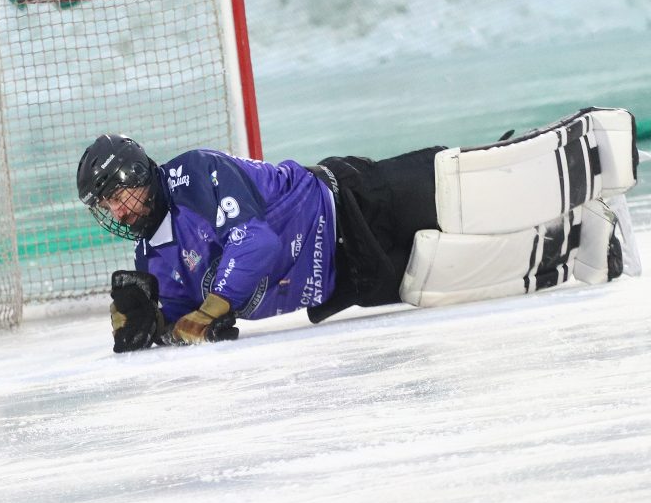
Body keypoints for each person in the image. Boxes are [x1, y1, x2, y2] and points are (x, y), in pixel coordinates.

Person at [76, 108, 640, 353]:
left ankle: (599, 149)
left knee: (477, 188)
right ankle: (593, 241)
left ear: (138, 177)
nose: (118, 212)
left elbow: (256, 245)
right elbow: (195, 326)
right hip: (348, 281)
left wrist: (208, 311)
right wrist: (148, 331)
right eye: (108, 206)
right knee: (468, 274)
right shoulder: (154, 256)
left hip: (352, 203)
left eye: (118, 196)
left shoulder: (194, 174)